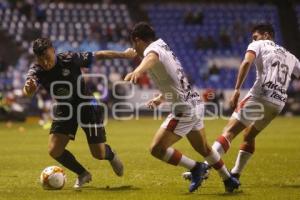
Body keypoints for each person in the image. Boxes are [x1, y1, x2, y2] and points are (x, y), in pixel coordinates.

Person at [124, 22, 240, 193]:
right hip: (194, 102)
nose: (135, 48)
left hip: (184, 109)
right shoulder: (163, 46)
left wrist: (138, 71)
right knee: (203, 148)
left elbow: (151, 57)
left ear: (138, 40)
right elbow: (173, 78)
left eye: (134, 44)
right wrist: (161, 97)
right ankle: (228, 179)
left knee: (157, 149)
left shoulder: (152, 50)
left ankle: (196, 168)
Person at [23, 38, 137, 189]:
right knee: (54, 150)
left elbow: (99, 55)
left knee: (98, 154)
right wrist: (29, 88)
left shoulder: (70, 59)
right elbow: (28, 91)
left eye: (47, 57)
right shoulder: (36, 69)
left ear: (53, 51)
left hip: (87, 105)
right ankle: (83, 173)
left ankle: (110, 155)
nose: (45, 62)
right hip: (65, 110)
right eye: (40, 59)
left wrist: (124, 55)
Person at [206, 24, 300, 181]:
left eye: (255, 36)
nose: (253, 39)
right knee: (249, 135)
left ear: (267, 35)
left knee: (229, 132)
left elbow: (246, 63)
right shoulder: (290, 56)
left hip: (260, 95)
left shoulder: (258, 44)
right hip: (278, 103)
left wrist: (236, 90)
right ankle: (235, 173)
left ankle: (204, 168)